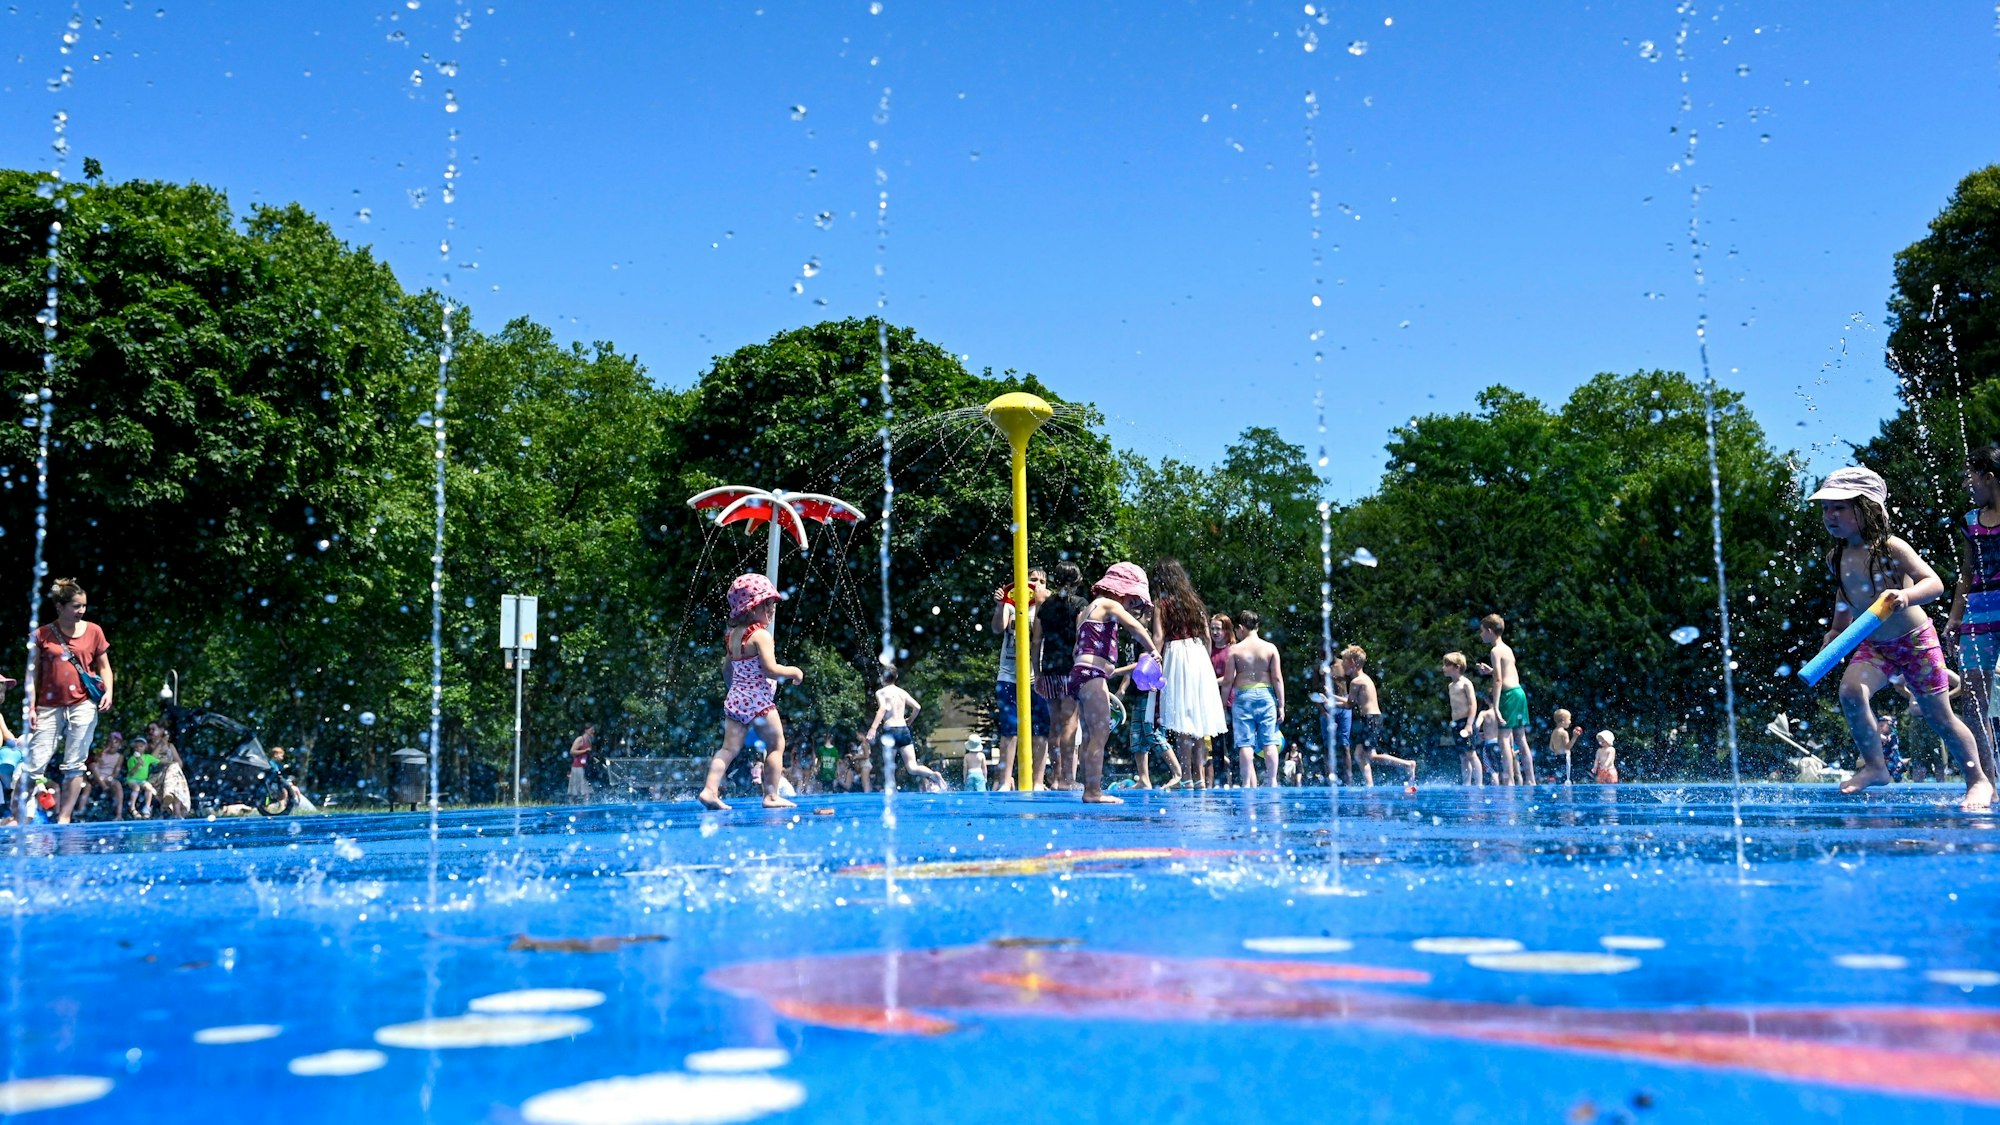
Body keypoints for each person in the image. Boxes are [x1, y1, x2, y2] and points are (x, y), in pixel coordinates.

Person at [1812, 466, 1993, 810]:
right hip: (1875, 646)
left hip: (1915, 643)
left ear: (1866, 509)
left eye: (1839, 507)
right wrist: (1837, 630)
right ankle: (1877, 768)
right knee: (1851, 692)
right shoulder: (1836, 556)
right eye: (1825, 509)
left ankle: (1978, 780)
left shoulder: (1891, 547)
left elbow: (1934, 582)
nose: (1830, 516)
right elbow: (1846, 593)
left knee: (1939, 716)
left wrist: (1907, 596)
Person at [698, 574, 803, 811]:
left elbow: (726, 669)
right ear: (755, 606)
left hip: (736, 699)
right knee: (776, 746)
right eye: (769, 605)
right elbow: (771, 669)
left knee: (728, 749)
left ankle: (709, 790)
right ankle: (771, 796)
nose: (772, 610)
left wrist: (735, 691)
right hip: (760, 702)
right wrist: (794, 672)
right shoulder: (761, 636)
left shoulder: (732, 636)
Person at [25, 578, 113, 824]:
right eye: (76, 606)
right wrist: (30, 707)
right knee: (34, 766)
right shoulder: (41, 635)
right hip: (48, 706)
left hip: (82, 704)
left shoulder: (94, 631)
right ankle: (24, 815)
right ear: (60, 608)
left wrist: (109, 692)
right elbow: (31, 674)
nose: (81, 611)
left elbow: (105, 667)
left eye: (83, 606)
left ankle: (64, 818)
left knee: (74, 764)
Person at [1071, 562, 1158, 804]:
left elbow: (1076, 651)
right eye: (1132, 602)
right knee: (1099, 734)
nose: (1132, 608)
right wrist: (1153, 651)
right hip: (1092, 674)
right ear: (1120, 591)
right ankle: (1093, 792)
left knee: (1089, 735)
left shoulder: (1085, 611)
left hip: (1081, 674)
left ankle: (1089, 788)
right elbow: (1135, 627)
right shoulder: (1108, 604)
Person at [1945, 443, 2000, 785]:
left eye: (1971, 476)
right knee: (1974, 701)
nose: (1968, 484)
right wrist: (1954, 619)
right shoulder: (1969, 522)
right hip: (1977, 614)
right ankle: (1989, 783)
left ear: (1989, 477)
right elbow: (1966, 573)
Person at [1152, 560, 1227, 789]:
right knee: (1198, 719)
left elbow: (1158, 637)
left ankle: (1185, 777)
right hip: (1198, 656)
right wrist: (1203, 661)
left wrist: (1154, 662)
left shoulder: (1161, 604)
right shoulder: (1196, 603)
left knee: (1183, 718)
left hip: (1176, 655)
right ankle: (1200, 778)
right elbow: (1206, 635)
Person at [990, 568, 1048, 792]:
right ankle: (1005, 780)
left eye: (1042, 581)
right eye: (1033, 580)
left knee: (1041, 730)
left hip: (1037, 676)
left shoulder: (1046, 608)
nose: (1037, 584)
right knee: (1010, 729)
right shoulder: (1011, 604)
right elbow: (997, 628)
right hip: (1009, 675)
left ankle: (1038, 781)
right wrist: (1000, 605)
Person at [1033, 563, 1088, 791]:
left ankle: (1055, 778)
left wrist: (1037, 672)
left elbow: (1036, 641)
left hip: (1049, 670)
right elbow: (1080, 640)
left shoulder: (1044, 606)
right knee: (1069, 724)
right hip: (1069, 670)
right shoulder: (1080, 605)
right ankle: (1067, 778)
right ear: (1076, 582)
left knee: (1055, 725)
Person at [1220, 609, 1285, 787]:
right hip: (1266, 696)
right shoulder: (1270, 648)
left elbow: (1227, 682)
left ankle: (1247, 783)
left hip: (1243, 698)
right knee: (1270, 741)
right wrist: (1281, 705)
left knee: (1245, 743)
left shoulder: (1235, 650)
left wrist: (1223, 705)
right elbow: (1277, 678)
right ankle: (1272, 781)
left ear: (1241, 628)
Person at [865, 666, 945, 792]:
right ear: (896, 677)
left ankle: (892, 793)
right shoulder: (902, 692)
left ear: (882, 678)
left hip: (890, 731)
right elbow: (917, 707)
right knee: (912, 767)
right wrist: (909, 721)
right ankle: (933, 775)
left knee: (889, 766)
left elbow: (883, 709)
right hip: (903, 730)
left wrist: (873, 728)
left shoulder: (881, 692)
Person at [1343, 645, 1415, 786]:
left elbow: (1349, 705)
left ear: (1353, 662)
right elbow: (1350, 700)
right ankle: (1370, 784)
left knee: (1366, 756)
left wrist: (1330, 702)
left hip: (1370, 720)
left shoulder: (1356, 682)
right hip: (1372, 719)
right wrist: (1332, 697)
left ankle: (1407, 765)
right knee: (1363, 755)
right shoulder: (1365, 679)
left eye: (1344, 660)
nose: (1342, 664)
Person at [1476, 613, 1531, 786]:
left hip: (1508, 695)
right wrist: (1490, 670)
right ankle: (1531, 779)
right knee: (1521, 738)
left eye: (1482, 631)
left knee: (1504, 738)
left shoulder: (1494, 651)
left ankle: (1509, 780)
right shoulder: (1506, 649)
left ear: (1490, 631)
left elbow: (1499, 681)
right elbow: (1506, 673)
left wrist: (1496, 707)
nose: (1481, 635)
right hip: (1518, 692)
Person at [1441, 652, 1481, 786]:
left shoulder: (1466, 683)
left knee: (1471, 754)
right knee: (1463, 756)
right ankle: (1467, 783)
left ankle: (1479, 783)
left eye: (1447, 665)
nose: (1443, 668)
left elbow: (1472, 703)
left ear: (1457, 667)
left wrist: (1469, 724)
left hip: (1466, 722)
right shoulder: (1451, 686)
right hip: (1457, 723)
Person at [1206, 614, 1234, 789]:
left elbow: (1231, 677)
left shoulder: (1233, 649)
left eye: (1218, 628)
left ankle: (1237, 781)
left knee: (1232, 744)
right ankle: (1219, 782)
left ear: (1227, 630)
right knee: (1216, 747)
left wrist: (1210, 681)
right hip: (1212, 703)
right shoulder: (1209, 650)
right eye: (1213, 628)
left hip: (1231, 703)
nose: (1215, 632)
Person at [149, 720, 190, 818]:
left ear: (162, 730)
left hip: (171, 774)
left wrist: (170, 766)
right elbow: (152, 760)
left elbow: (179, 762)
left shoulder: (170, 746)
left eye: (153, 729)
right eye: (149, 730)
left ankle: (170, 795)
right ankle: (177, 812)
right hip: (157, 775)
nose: (150, 732)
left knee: (174, 769)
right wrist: (161, 744)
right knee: (175, 775)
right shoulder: (148, 746)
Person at [90, 730, 126, 821]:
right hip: (98, 777)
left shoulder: (119, 756)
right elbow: (96, 763)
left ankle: (119, 814)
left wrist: (112, 778)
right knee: (92, 765)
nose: (113, 744)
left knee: (118, 785)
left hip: (109, 778)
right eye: (110, 741)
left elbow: (116, 771)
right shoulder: (102, 753)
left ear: (120, 745)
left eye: (116, 742)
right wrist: (104, 751)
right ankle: (104, 788)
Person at [124, 735, 158, 817]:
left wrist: (170, 763)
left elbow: (158, 762)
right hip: (132, 779)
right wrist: (137, 765)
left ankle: (146, 808)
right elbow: (131, 773)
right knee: (136, 788)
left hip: (142, 780)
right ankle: (132, 807)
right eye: (136, 747)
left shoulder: (148, 757)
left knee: (149, 787)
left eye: (141, 746)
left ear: (145, 747)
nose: (138, 748)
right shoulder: (131, 759)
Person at [1548, 708, 1582, 785]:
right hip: (1564, 758)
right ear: (1563, 720)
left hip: (1556, 757)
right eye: (1569, 719)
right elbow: (1568, 747)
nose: (1570, 722)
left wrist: (1557, 751)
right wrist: (1575, 737)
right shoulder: (1564, 733)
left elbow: (1550, 746)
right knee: (1566, 780)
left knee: (1558, 779)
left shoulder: (1554, 732)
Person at [566, 723, 597, 804]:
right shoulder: (580, 739)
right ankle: (573, 806)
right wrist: (585, 750)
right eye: (591, 730)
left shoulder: (589, 740)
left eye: (593, 730)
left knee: (586, 791)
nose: (593, 731)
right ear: (586, 730)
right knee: (576, 792)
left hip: (584, 768)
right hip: (577, 767)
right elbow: (572, 751)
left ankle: (585, 806)